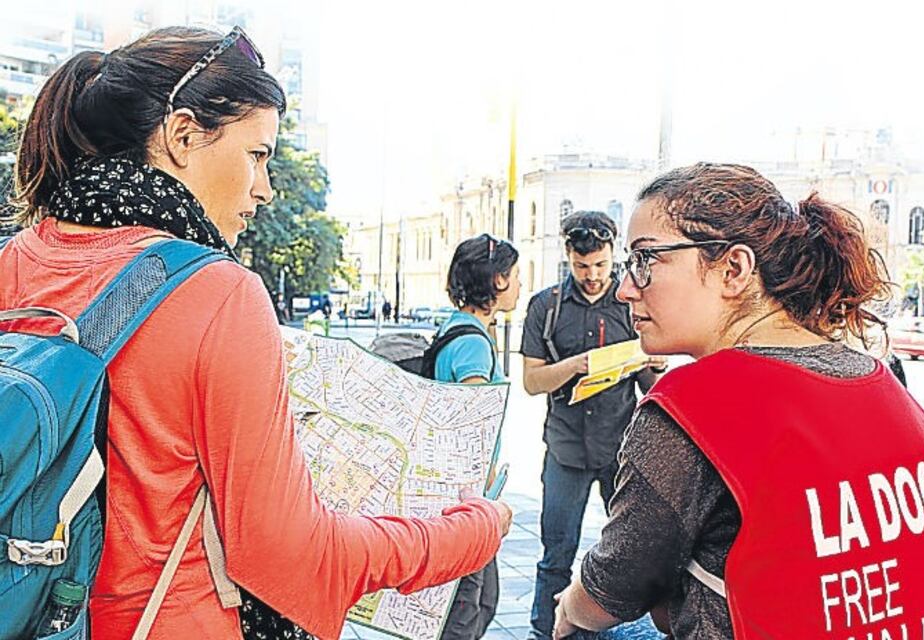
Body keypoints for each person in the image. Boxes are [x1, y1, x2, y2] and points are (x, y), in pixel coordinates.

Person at [0, 26, 510, 640]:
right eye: (257, 155)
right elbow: (290, 555)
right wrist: (471, 530)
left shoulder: (17, 258)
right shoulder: (218, 292)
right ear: (184, 136)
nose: (265, 189)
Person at [553, 163, 924, 639]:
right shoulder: (880, 381)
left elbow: (613, 588)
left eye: (646, 261)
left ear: (733, 269)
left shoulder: (693, 405)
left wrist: (570, 605)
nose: (626, 287)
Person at [519, 211, 661, 640]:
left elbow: (651, 386)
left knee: (631, 554)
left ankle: (617, 632)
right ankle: (545, 633)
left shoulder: (632, 303)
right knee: (555, 556)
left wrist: (655, 363)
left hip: (621, 450)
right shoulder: (547, 306)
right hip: (565, 450)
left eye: (601, 265)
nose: (593, 276)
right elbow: (531, 381)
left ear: (613, 255)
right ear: (568, 257)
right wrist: (575, 366)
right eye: (583, 267)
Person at [433, 233, 520, 640]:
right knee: (466, 612)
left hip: (462, 497)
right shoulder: (473, 345)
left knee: (482, 602)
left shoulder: (456, 329)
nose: (520, 285)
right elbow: (473, 422)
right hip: (468, 499)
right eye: (516, 276)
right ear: (498, 281)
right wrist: (482, 487)